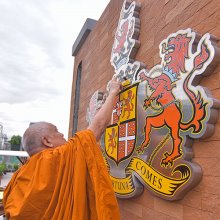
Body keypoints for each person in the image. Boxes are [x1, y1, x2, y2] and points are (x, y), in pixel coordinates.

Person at [3, 76, 121, 220]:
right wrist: (114, 90)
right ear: (47, 141)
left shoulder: (20, 174)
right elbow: (98, 126)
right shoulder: (53, 158)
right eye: (57, 131)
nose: (63, 134)